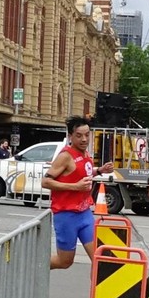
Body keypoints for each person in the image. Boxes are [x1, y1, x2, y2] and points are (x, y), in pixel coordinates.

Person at [45, 115, 100, 271]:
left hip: (85, 213)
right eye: (79, 135)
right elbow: (46, 182)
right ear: (70, 136)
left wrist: (100, 170)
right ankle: (34, 266)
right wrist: (75, 187)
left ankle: (99, 294)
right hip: (66, 216)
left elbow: (83, 174)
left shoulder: (85, 154)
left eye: (87, 135)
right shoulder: (65, 156)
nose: (84, 139)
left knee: (99, 258)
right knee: (65, 262)